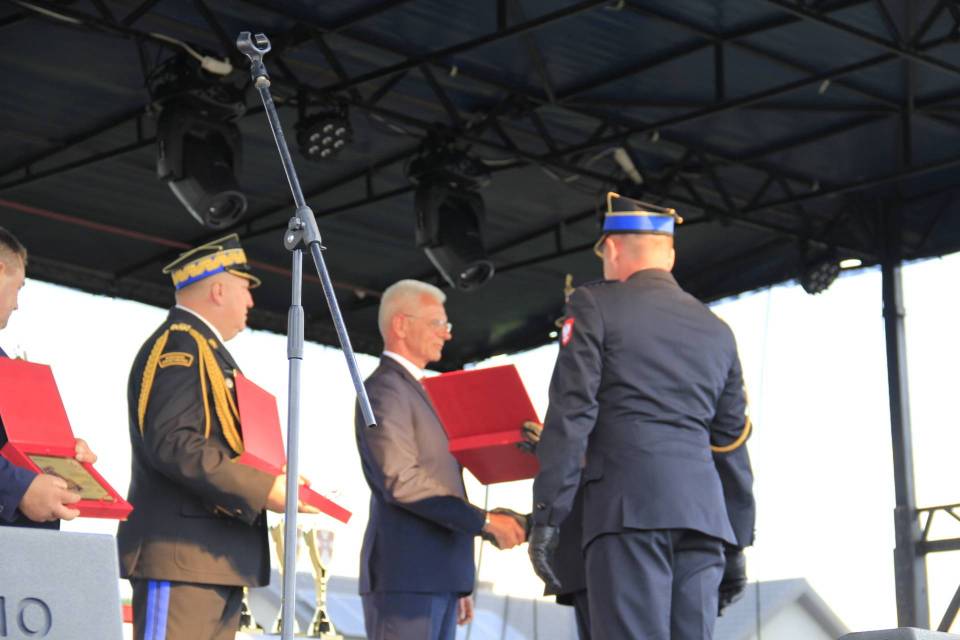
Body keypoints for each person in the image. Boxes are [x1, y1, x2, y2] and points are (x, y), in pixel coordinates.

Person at [528, 193, 756, 639]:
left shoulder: (594, 305)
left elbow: (572, 414)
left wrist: (548, 514)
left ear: (612, 249)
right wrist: (738, 539)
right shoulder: (717, 330)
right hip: (703, 519)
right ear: (669, 256)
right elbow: (731, 443)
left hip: (627, 512)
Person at [116, 234, 311, 640]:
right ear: (218, 290)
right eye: (245, 288)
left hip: (212, 557)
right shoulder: (180, 346)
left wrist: (270, 477)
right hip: (181, 556)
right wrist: (262, 487)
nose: (251, 301)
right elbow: (173, 443)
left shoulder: (206, 350)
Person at [355, 279, 527, 640]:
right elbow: (401, 481)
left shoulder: (421, 391)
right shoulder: (385, 389)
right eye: (437, 323)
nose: (447, 334)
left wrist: (456, 579)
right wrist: (485, 521)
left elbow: (441, 479)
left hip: (438, 577)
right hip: (408, 579)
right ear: (401, 325)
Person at [0, 225, 97, 528]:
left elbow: (15, 444)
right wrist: (19, 488)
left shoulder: (5, 363)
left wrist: (62, 457)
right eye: (19, 288)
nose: (17, 305)